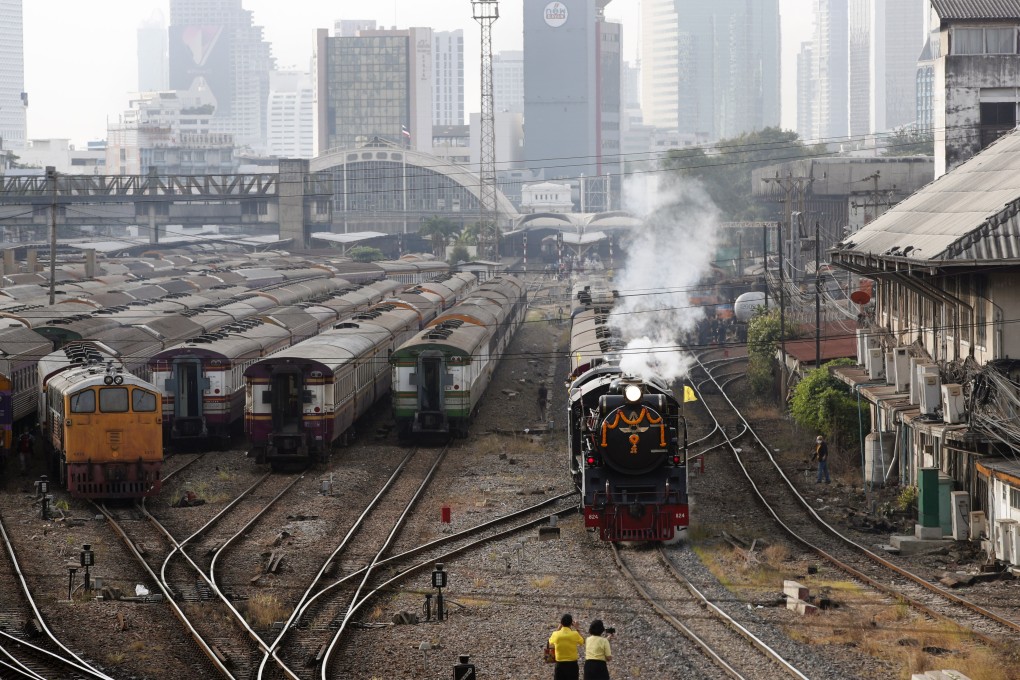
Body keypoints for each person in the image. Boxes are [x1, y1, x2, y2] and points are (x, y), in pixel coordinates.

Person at [549, 613, 584, 680]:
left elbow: (550, 642)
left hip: (559, 664)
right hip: (572, 664)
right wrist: (577, 628)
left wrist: (558, 628)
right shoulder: (575, 634)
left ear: (561, 623)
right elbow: (582, 641)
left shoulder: (555, 634)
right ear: (571, 624)